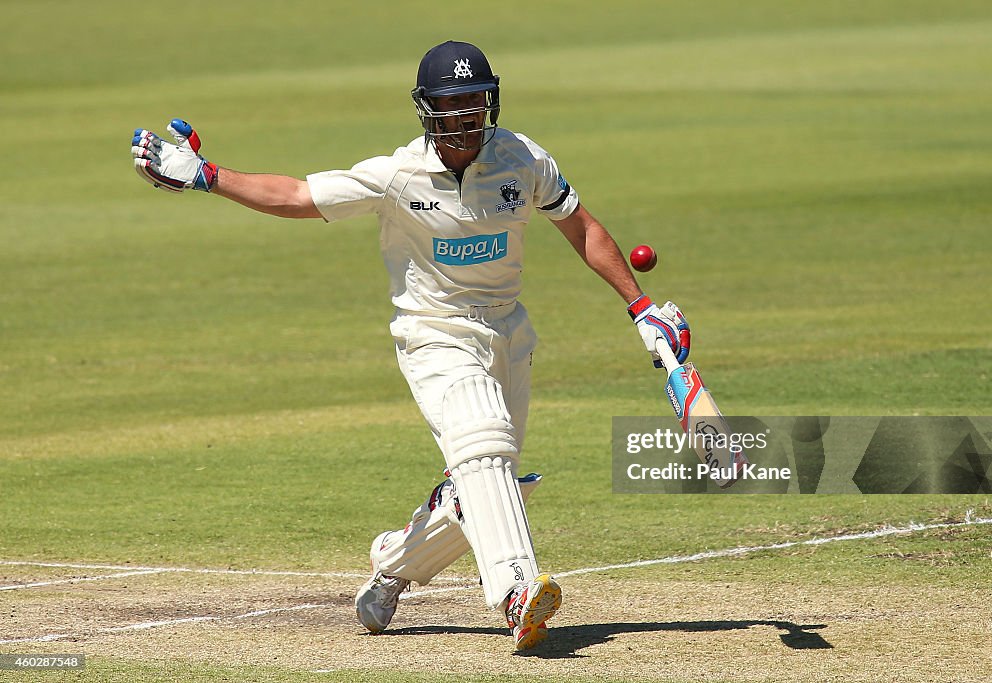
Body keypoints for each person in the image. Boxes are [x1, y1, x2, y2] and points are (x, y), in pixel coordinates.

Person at [130, 40, 690, 651]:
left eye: (475, 102)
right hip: (436, 332)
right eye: (451, 106)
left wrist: (641, 308)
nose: (464, 118)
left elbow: (581, 226)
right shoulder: (396, 175)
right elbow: (296, 196)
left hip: (509, 331)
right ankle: (515, 590)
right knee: (485, 444)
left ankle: (391, 567)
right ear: (427, 110)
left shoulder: (522, 160)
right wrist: (208, 176)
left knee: (486, 479)